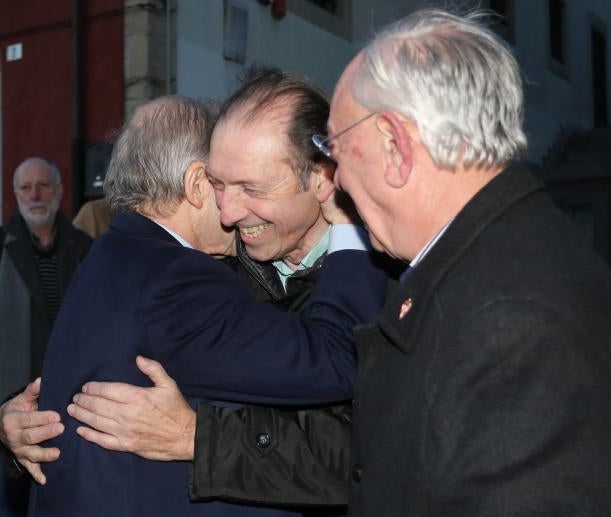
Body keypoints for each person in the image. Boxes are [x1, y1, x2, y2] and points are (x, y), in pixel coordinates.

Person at [52, 9, 611, 516]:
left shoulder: (514, 320)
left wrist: (202, 441)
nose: (337, 174)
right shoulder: (452, 263)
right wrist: (18, 419)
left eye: (338, 147)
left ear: (396, 147)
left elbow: (369, 447)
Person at [27, 95, 387, 516]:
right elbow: (334, 360)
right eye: (223, 185)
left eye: (250, 186)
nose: (233, 211)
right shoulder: (173, 277)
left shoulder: (113, 257)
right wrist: (349, 230)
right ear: (198, 184)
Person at [0, 157, 93, 516]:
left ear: (59, 192)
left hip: (76, 401)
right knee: (12, 504)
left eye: (43, 185)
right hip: (13, 405)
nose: (35, 194)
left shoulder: (85, 248)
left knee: (73, 500)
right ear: (15, 194)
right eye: (26, 187)